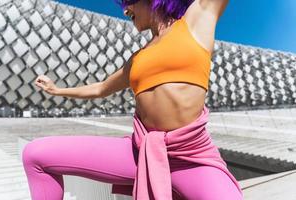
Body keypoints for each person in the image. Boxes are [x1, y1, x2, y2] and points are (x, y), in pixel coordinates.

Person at [22, 0, 243, 199]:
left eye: (130, 1)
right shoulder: (137, 59)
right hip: (139, 155)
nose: (126, 9)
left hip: (192, 158)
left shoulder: (196, 21)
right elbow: (101, 88)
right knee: (35, 155)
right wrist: (57, 90)